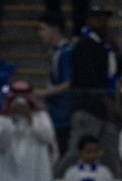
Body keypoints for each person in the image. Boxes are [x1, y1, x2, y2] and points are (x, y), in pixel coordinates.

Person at [63, 5, 122, 174]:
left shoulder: (105, 47)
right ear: (88, 22)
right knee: (77, 152)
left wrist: (116, 51)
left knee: (110, 152)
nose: (103, 23)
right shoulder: (85, 45)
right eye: (98, 19)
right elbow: (88, 77)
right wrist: (105, 100)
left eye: (105, 19)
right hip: (87, 107)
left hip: (103, 110)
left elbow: (113, 73)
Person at [36, 11, 73, 156]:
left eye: (42, 29)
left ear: (55, 29)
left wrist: (44, 92)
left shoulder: (65, 52)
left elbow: (69, 82)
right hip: (56, 112)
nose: (40, 34)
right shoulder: (54, 52)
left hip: (63, 114)